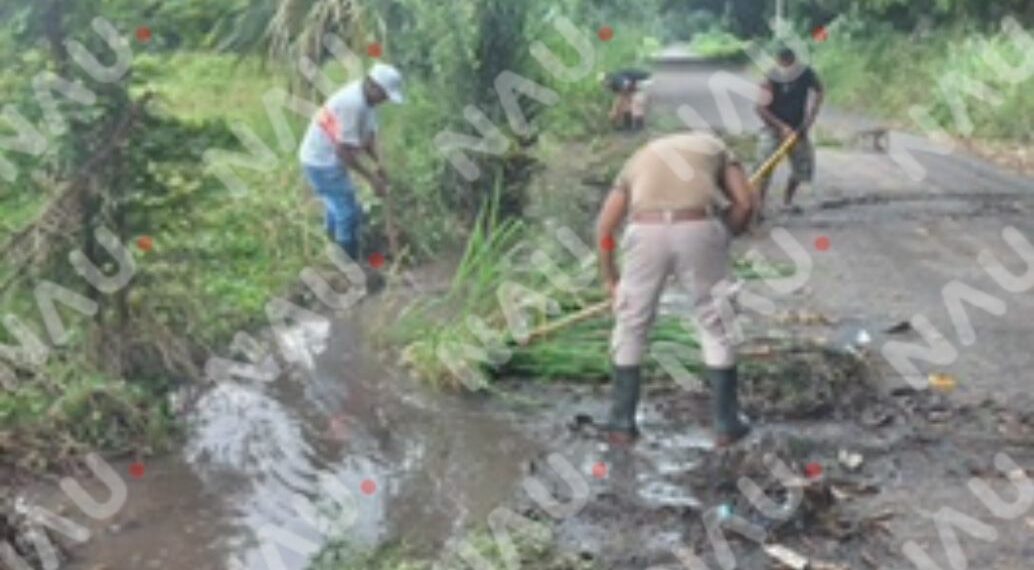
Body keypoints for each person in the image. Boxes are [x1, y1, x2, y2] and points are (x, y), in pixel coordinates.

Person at [596, 132, 755, 448]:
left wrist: (611, 279)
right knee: (715, 324)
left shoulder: (637, 159)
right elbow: (746, 203)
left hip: (644, 231)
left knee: (631, 326)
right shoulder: (717, 149)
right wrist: (724, 233)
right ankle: (726, 424)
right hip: (698, 226)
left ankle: (621, 424)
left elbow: (604, 228)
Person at [298, 63, 405, 260]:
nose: (385, 101)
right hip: (321, 161)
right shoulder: (352, 104)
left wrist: (380, 164)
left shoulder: (367, 101)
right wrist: (372, 179)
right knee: (348, 212)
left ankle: (333, 246)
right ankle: (348, 264)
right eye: (385, 95)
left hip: (325, 158)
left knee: (337, 205)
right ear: (374, 86)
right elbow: (343, 152)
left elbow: (369, 137)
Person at [755, 46, 824, 216]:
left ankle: (787, 201)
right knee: (764, 168)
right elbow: (760, 108)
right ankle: (758, 207)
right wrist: (781, 127)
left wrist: (811, 117)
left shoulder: (806, 74)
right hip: (773, 128)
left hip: (798, 128)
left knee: (803, 167)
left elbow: (820, 90)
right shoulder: (771, 78)